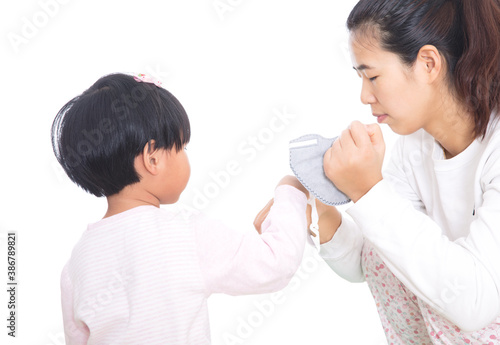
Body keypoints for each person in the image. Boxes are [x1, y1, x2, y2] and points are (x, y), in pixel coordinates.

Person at [51, 73, 309, 345]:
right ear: (153, 158)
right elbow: (275, 264)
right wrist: (291, 190)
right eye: (182, 146)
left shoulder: (76, 263)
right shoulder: (185, 235)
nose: (185, 155)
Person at [318, 0, 500, 343]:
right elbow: (375, 262)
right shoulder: (415, 146)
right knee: (392, 249)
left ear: (428, 64)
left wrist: (370, 191)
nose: (363, 96)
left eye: (372, 76)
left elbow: (476, 304)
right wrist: (320, 214)